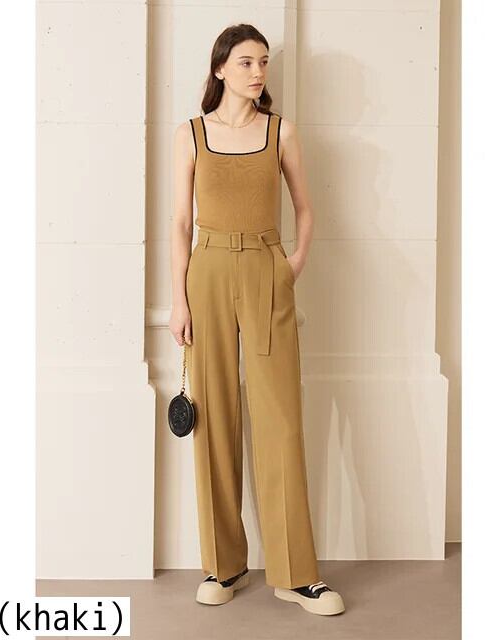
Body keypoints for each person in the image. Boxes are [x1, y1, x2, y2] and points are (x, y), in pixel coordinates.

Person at [169, 24, 345, 617]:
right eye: (246, 62)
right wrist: (178, 301)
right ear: (220, 68)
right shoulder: (192, 134)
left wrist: (290, 266)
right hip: (208, 272)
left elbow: (305, 210)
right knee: (214, 417)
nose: (258, 71)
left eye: (264, 61)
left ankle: (297, 575)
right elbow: (179, 223)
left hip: (268, 270)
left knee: (280, 419)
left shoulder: (280, 131)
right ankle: (223, 565)